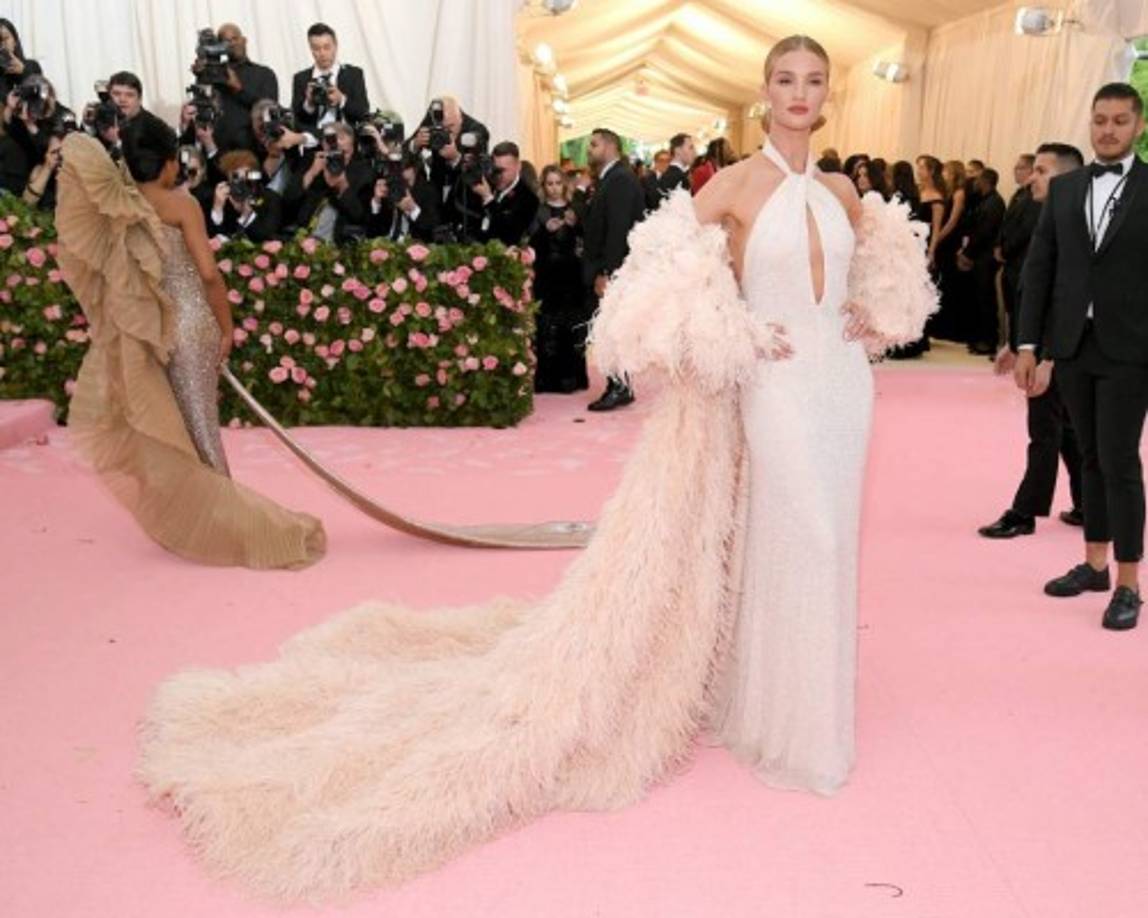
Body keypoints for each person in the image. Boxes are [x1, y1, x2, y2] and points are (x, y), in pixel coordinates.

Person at [135, 34, 935, 902]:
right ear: (764, 88)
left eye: (813, 81)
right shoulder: (732, 185)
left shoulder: (849, 190)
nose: (798, 93)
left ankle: (796, 714)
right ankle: (790, 727)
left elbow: (870, 275)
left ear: (826, 95)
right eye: (784, 79)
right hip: (774, 385)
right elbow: (655, 278)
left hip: (841, 387)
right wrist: (731, 330)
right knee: (801, 537)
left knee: (823, 542)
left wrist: (868, 312)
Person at [54, 123, 324, 569]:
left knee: (170, 429)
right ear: (167, 163)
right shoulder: (181, 204)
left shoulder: (117, 206)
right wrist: (227, 325)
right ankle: (230, 530)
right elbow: (209, 273)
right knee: (200, 429)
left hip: (146, 331)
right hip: (190, 326)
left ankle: (197, 521)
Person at [1016, 83, 1148, 631]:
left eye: (1120, 120)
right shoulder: (1066, 189)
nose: (1108, 129)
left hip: (1131, 348)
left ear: (1138, 125)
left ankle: (1128, 583)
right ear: (1090, 124)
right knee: (1089, 456)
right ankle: (1094, 564)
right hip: (1071, 346)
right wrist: (1028, 345)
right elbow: (1039, 271)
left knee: (1119, 461)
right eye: (1100, 120)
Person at [980, 143, 1085, 541]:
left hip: (1061, 349)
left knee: (1044, 431)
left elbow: (1072, 301)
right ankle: (1089, 503)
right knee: (1067, 429)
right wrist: (1019, 344)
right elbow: (1034, 293)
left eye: (1042, 171)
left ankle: (1024, 512)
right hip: (1044, 346)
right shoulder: (1049, 219)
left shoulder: (1075, 228)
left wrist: (1048, 359)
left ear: (1067, 178)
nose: (1030, 177)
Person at [583, 127, 646, 412]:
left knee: (613, 330)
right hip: (614, 268)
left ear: (610, 146)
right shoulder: (612, 177)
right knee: (611, 328)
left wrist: (608, 271)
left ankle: (619, 386)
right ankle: (618, 384)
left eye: (594, 144)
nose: (589, 150)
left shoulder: (619, 179)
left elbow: (619, 231)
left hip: (615, 269)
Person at [530, 164, 586, 393]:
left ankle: (570, 378)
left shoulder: (575, 209)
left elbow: (585, 241)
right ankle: (547, 379)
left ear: (565, 185)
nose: (554, 188)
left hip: (571, 275)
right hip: (546, 275)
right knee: (546, 326)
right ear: (544, 186)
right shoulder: (539, 211)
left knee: (570, 325)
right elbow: (531, 246)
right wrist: (544, 232)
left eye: (558, 183)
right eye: (549, 184)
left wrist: (577, 226)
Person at [184, 23, 278, 155]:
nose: (232, 44)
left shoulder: (264, 74)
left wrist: (238, 89)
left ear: (244, 40)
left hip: (253, 151)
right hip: (218, 152)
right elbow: (202, 107)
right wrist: (201, 76)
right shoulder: (213, 74)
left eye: (235, 38)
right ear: (220, 48)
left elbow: (270, 111)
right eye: (226, 41)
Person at [296, 121, 370, 243]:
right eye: (329, 140)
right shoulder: (313, 162)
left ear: (352, 142)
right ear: (323, 145)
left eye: (341, 138)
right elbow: (289, 200)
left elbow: (360, 216)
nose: (336, 143)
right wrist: (312, 173)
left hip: (339, 239)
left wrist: (342, 187)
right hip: (305, 234)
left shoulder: (364, 171)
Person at [959, 167, 1006, 354]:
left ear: (985, 181)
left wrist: (967, 253)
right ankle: (980, 337)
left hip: (985, 259)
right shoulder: (985, 200)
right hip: (980, 256)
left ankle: (988, 340)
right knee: (979, 300)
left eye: (977, 179)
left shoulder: (994, 203)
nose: (974, 182)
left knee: (986, 300)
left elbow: (984, 233)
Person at [290, 23, 369, 133]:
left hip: (347, 141)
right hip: (315, 141)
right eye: (316, 48)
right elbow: (296, 121)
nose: (322, 53)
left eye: (327, 47)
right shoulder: (301, 79)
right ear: (310, 49)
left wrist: (341, 99)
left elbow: (363, 113)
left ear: (335, 46)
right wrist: (308, 104)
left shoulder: (354, 74)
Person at [206, 150, 283, 243]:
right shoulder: (223, 199)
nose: (242, 183)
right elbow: (211, 237)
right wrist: (217, 209)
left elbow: (267, 235)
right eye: (236, 177)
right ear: (228, 179)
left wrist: (248, 215)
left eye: (247, 175)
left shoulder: (271, 199)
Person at [474, 140, 539, 247]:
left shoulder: (528, 198)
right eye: (495, 170)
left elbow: (509, 235)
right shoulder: (488, 185)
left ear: (518, 166)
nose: (498, 175)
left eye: (503, 170)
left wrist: (488, 199)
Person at [21, 127, 62, 210]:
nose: (59, 156)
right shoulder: (39, 170)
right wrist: (48, 168)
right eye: (54, 151)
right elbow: (27, 203)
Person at [0, 18, 40, 101]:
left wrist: (23, 72)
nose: (2, 44)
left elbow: (41, 97)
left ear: (15, 41)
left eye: (6, 38)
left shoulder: (32, 66)